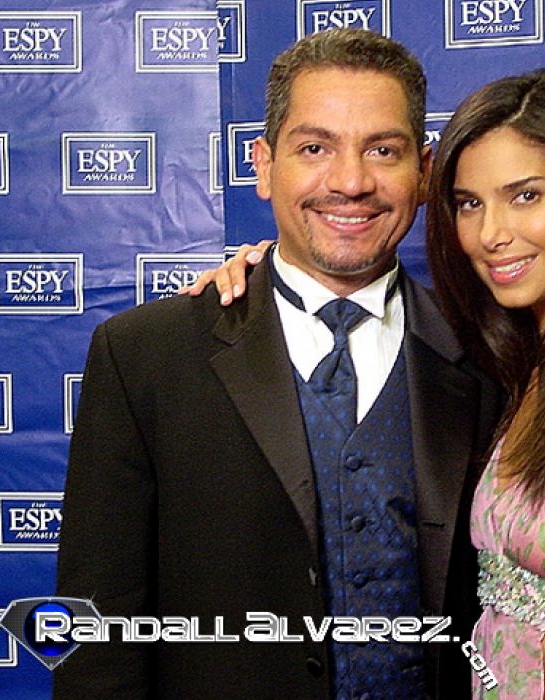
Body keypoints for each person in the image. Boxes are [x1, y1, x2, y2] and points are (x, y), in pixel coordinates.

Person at [189, 66, 545, 699]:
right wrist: (262, 280)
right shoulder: (510, 369)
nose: (492, 235)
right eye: (469, 204)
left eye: (526, 196)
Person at [55, 29, 501, 699]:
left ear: (424, 173)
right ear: (264, 166)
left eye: (382, 150)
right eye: (314, 148)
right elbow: (97, 633)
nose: (350, 182)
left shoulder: (493, 357)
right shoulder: (145, 357)